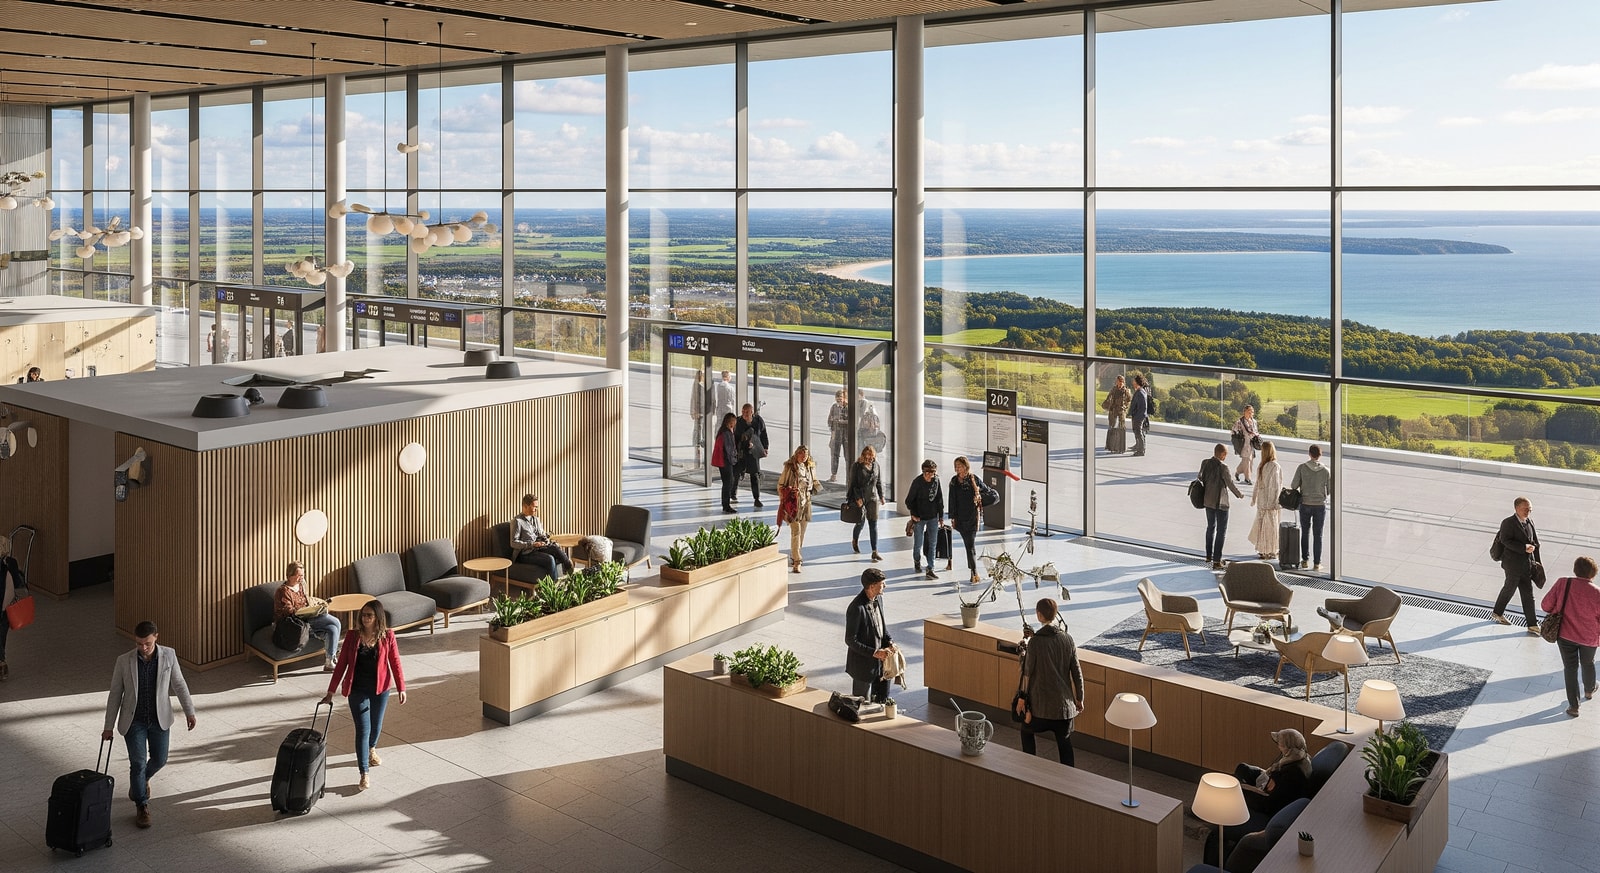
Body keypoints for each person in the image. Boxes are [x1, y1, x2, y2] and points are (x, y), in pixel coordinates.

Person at [102, 620, 197, 829]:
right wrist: (108, 726)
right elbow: (115, 694)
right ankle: (141, 805)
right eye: (139, 643)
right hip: (133, 721)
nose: (143, 648)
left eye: (147, 643)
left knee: (160, 759)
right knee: (137, 763)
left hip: (158, 719)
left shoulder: (169, 655)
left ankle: (139, 783)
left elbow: (179, 684)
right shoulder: (123, 661)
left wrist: (189, 711)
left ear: (156, 638)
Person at [322, 601, 407, 791]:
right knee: (363, 730)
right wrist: (330, 691)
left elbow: (395, 662)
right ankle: (364, 772)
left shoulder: (388, 636)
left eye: (369, 615)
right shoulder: (353, 637)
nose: (365, 618)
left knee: (376, 726)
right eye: (363, 615)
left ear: (378, 618)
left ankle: (371, 749)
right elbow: (341, 665)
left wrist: (401, 687)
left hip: (380, 690)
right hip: (357, 690)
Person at [1015, 597, 1083, 766]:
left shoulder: (1036, 642)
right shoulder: (1068, 639)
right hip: (1064, 709)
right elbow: (1077, 672)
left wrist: (1022, 698)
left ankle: (1029, 768)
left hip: (1040, 708)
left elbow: (1027, 673)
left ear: (1039, 615)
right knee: (1064, 743)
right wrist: (1079, 698)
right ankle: (1069, 774)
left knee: (1026, 731)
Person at [1543, 557, 1600, 718]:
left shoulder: (1563, 583)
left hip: (1565, 635)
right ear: (1593, 573)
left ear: (1575, 570)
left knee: (1570, 668)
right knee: (1588, 662)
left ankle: (1574, 706)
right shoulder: (1597, 593)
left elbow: (1545, 605)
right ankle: (1589, 690)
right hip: (1589, 638)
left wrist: (1560, 608)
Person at [275, 560, 342, 671]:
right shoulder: (283, 591)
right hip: (295, 622)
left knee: (332, 629)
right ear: (290, 575)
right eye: (299, 575)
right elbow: (289, 612)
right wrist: (308, 611)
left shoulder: (301, 585)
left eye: (303, 575)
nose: (302, 578)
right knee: (335, 622)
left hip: (307, 617)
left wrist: (316, 607)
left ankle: (329, 661)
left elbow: (306, 600)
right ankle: (332, 656)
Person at [1235, 728, 1313, 817]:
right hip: (1272, 784)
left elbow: (1271, 802)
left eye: (1280, 745)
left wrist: (1250, 789)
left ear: (1287, 747)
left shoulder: (1293, 773)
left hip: (1270, 802)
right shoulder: (1300, 756)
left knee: (1236, 790)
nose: (1278, 747)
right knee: (1242, 768)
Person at [1491, 496, 1542, 633]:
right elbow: (1505, 540)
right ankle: (1498, 612)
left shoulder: (1529, 522)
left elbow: (1535, 542)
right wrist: (1523, 547)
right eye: (1525, 509)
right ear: (1516, 508)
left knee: (1528, 594)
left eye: (1530, 509)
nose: (1528, 512)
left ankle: (1532, 624)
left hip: (1526, 565)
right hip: (1512, 565)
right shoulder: (1508, 523)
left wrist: (1537, 561)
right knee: (1510, 589)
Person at [844, 568, 893, 702]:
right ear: (872, 586)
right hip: (863, 667)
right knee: (861, 703)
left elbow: (881, 627)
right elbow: (850, 640)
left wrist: (890, 641)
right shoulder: (856, 608)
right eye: (882, 584)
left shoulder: (879, 599)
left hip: (881, 664)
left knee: (882, 700)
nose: (885, 586)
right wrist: (875, 653)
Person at [948, 456, 998, 583]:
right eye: (956, 466)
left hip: (971, 518)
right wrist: (952, 517)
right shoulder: (954, 481)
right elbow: (951, 499)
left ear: (966, 467)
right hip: (960, 518)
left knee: (970, 545)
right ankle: (973, 571)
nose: (957, 468)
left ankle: (974, 571)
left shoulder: (973, 479)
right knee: (968, 545)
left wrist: (980, 498)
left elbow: (992, 494)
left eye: (959, 466)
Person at [1200, 443, 1244, 570]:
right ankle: (1217, 560)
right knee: (1221, 531)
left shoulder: (1205, 463)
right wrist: (1239, 494)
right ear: (1223, 454)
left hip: (1208, 501)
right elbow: (1230, 483)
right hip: (1221, 503)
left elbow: (1201, 478)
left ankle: (1208, 556)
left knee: (1210, 527)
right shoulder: (1223, 467)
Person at [777, 445, 820, 573]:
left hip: (806, 503)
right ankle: (797, 561)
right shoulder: (790, 467)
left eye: (806, 455)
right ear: (797, 454)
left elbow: (814, 480)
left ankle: (795, 553)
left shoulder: (810, 466)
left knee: (802, 532)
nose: (804, 457)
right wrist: (784, 500)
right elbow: (780, 485)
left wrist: (817, 488)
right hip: (794, 504)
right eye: (801, 454)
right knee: (796, 531)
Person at [1290, 444, 1331, 571]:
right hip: (1319, 505)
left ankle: (1305, 560)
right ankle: (1317, 563)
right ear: (1320, 455)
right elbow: (1329, 490)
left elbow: (1293, 485)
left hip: (1305, 503)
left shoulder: (1302, 467)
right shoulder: (1326, 471)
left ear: (1309, 454)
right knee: (1318, 535)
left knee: (1305, 532)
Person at [510, 494, 572, 578]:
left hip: (538, 548)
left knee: (556, 549)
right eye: (534, 507)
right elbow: (513, 543)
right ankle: (553, 585)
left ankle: (570, 571)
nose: (536, 509)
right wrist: (532, 544)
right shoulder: (517, 521)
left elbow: (542, 534)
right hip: (525, 553)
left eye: (537, 507)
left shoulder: (536, 519)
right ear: (525, 506)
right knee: (550, 559)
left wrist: (546, 539)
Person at [905, 459, 945, 580]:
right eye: (926, 472)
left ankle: (930, 568)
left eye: (931, 472)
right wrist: (913, 514)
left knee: (933, 543)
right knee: (918, 543)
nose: (929, 475)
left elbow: (939, 499)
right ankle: (917, 560)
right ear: (923, 471)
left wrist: (941, 516)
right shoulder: (917, 482)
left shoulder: (936, 481)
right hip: (919, 518)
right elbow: (909, 501)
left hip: (933, 517)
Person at [846, 444, 887, 562]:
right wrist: (855, 498)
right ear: (863, 455)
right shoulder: (857, 466)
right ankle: (855, 539)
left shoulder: (876, 465)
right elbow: (852, 484)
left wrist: (881, 496)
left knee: (873, 524)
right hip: (860, 497)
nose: (869, 457)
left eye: (871, 455)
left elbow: (878, 482)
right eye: (867, 455)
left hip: (872, 498)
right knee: (860, 523)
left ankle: (874, 551)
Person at [1246, 441, 1283, 560]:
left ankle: (1262, 551)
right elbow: (1276, 486)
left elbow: (1257, 483)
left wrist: (1254, 498)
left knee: (1261, 526)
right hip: (1271, 502)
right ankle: (1271, 551)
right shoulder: (1275, 466)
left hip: (1261, 501)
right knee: (1272, 528)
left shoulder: (1261, 465)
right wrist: (1277, 502)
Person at [735, 403, 769, 508]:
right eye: (743, 412)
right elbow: (736, 438)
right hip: (742, 452)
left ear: (752, 412)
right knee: (737, 473)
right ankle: (733, 493)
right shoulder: (738, 421)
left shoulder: (758, 421)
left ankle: (756, 498)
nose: (744, 414)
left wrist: (765, 447)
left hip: (754, 452)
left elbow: (763, 434)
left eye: (747, 412)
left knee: (754, 475)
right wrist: (745, 444)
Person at [0, 534, 20, 680]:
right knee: (1, 636)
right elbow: (16, 585)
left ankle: (2, 663)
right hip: (6, 609)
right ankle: (2, 664)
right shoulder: (11, 563)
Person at [712, 412, 740, 513]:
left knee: (727, 482)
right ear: (729, 422)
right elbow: (729, 450)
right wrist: (734, 459)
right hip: (725, 461)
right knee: (728, 483)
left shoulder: (723, 431)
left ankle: (726, 504)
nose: (734, 424)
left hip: (723, 461)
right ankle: (726, 505)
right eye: (733, 422)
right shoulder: (726, 434)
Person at [826, 389, 850, 482]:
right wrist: (832, 422)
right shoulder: (834, 407)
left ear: (845, 398)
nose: (839, 400)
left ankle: (849, 476)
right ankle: (833, 475)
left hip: (846, 436)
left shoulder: (848, 407)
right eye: (837, 399)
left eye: (841, 398)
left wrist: (840, 422)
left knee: (848, 456)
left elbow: (852, 421)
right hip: (836, 435)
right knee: (834, 455)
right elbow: (829, 420)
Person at [1231, 406, 1260, 484]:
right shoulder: (1239, 422)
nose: (1251, 413)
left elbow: (1256, 431)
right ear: (1244, 412)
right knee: (1246, 460)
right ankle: (1247, 478)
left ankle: (1238, 472)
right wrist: (1239, 436)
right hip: (1244, 444)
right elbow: (1233, 431)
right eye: (1249, 411)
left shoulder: (1254, 421)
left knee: (1250, 460)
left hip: (1252, 444)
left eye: (1252, 412)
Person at [1129, 374, 1151, 457]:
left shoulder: (1140, 393)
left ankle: (1141, 451)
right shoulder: (1140, 391)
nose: (1133, 382)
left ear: (1137, 382)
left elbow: (1142, 407)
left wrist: (1137, 416)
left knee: (1139, 433)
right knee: (1137, 432)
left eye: (1134, 381)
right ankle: (1138, 447)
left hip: (1139, 417)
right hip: (1137, 416)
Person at [690, 370, 707, 465]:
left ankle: (700, 446)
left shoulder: (700, 384)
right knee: (699, 429)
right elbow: (694, 399)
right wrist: (694, 411)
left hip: (702, 412)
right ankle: (698, 447)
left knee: (700, 429)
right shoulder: (698, 385)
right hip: (700, 412)